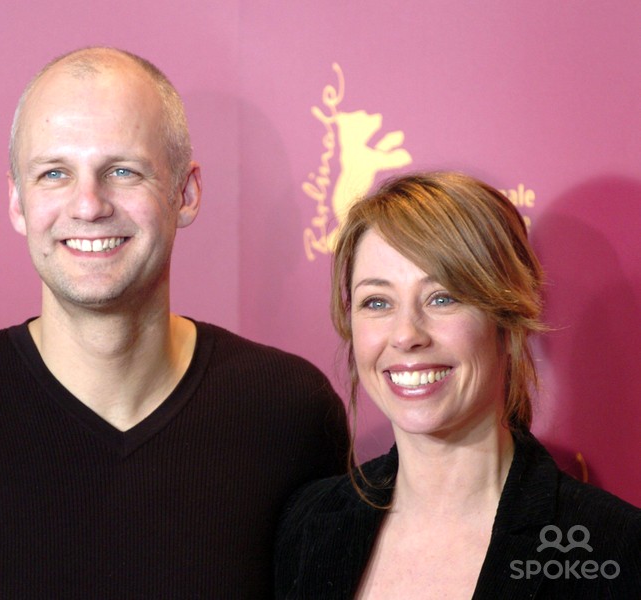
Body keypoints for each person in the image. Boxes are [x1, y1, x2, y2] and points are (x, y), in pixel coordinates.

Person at [0, 47, 349, 598]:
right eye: (54, 173)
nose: (89, 205)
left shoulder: (291, 412)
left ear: (186, 193)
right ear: (18, 202)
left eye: (122, 171)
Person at [275, 172, 641, 598]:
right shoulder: (306, 526)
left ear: (507, 321)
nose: (406, 334)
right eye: (377, 302)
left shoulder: (615, 549)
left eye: (443, 297)